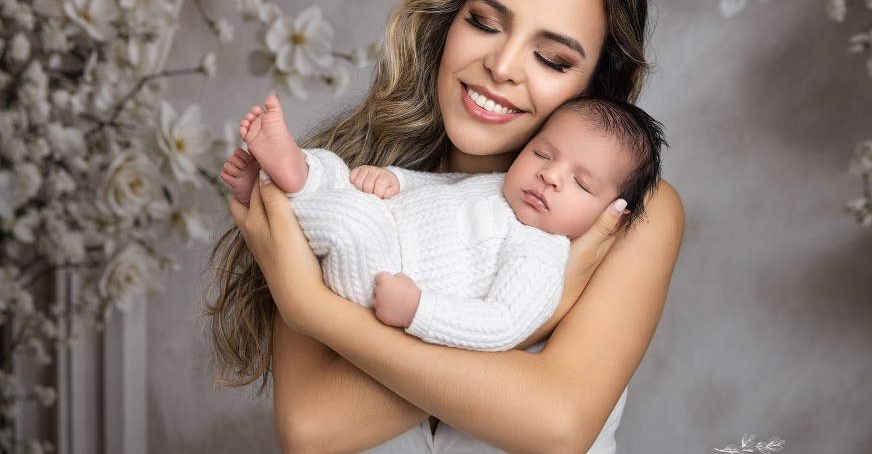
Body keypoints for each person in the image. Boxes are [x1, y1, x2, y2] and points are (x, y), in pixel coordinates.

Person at [206, 0, 685, 454]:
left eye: (554, 59)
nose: (503, 65)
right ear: (446, 22)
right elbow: (310, 431)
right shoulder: (346, 182)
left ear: (596, 86)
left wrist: (313, 307)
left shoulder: (627, 215)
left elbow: (559, 427)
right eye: (484, 22)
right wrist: (548, 311)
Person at [220, 94, 666, 351]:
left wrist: (419, 310)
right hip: (388, 226)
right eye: (543, 154)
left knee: (351, 222)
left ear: (611, 213)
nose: (550, 175)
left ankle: (279, 188)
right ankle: (287, 174)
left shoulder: (539, 253)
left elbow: (503, 324)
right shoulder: (498, 186)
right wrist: (394, 180)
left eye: (580, 183)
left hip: (384, 281)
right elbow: (442, 188)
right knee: (338, 174)